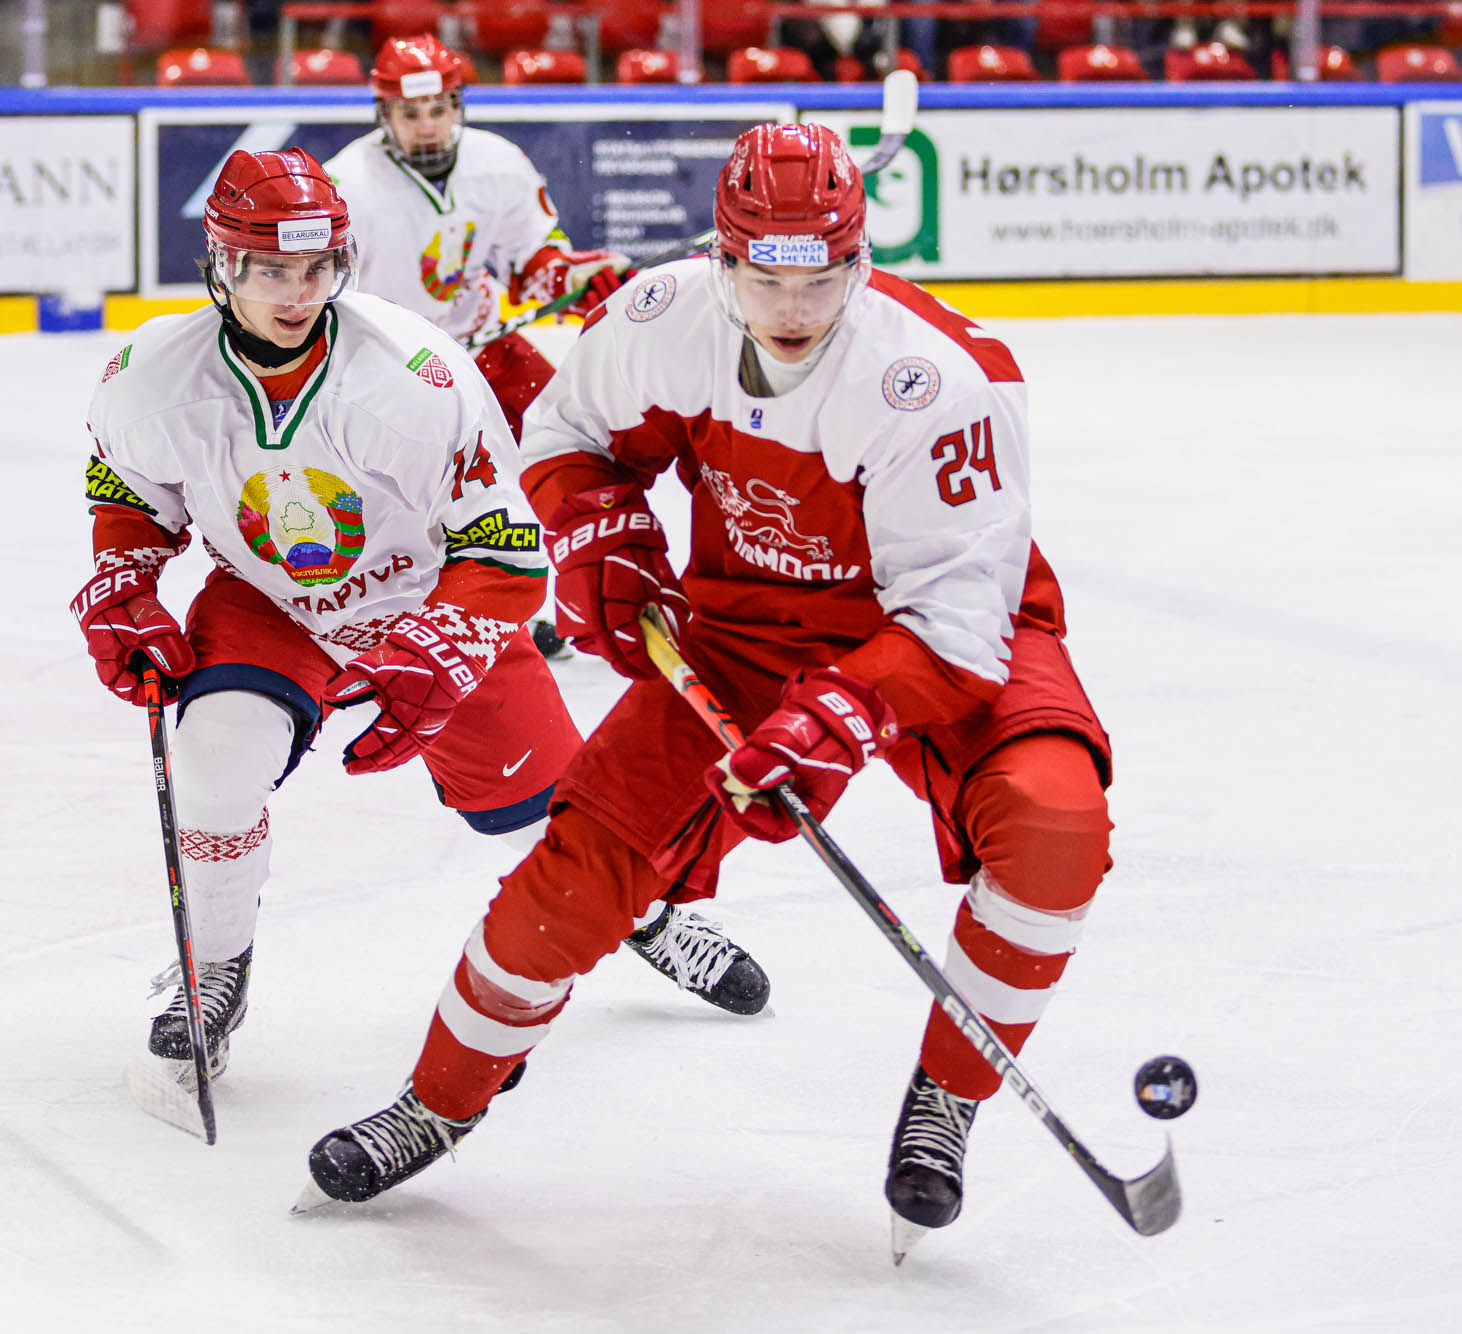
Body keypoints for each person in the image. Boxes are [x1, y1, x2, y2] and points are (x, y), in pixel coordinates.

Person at [296, 123, 1114, 1260]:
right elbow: (567, 433)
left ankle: (948, 1092)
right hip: (740, 629)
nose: (790, 305)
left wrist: (845, 710)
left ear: (858, 259)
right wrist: (601, 531)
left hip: (934, 636)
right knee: (574, 873)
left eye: (819, 277)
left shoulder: (940, 383)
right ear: (720, 257)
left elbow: (962, 621)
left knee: (1056, 822)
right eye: (762, 277)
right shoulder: (658, 318)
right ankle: (438, 1097)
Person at [70, 149, 768, 1088]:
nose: (296, 292)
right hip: (270, 605)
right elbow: (130, 489)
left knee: (556, 823)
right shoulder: (150, 373)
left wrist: (443, 641)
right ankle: (215, 968)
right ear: (221, 264)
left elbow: (504, 544)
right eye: (270, 269)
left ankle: (648, 920)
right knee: (214, 764)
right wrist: (126, 579)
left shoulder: (414, 374)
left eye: (315, 269)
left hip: (427, 597)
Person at [322, 34, 630, 445]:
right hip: (386, 361)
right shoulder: (345, 186)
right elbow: (324, 297)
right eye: (410, 114)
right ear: (385, 113)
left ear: (457, 106)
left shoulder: (498, 161)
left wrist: (568, 279)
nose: (428, 127)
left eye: (438, 110)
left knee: (572, 437)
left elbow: (529, 255)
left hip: (483, 343)